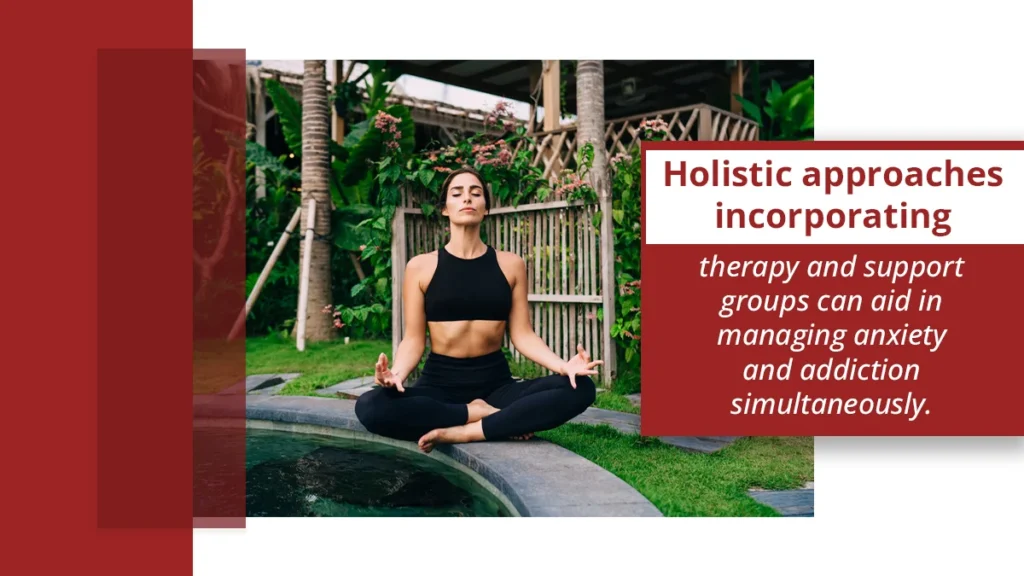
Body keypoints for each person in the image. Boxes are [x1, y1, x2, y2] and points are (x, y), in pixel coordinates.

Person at [355, 166, 603, 453]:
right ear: (445, 209)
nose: (467, 199)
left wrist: (563, 366)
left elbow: (523, 335)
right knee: (370, 406)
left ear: (486, 208)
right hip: (439, 386)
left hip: (496, 386)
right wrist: (396, 373)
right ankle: (482, 416)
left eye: (476, 193)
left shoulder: (511, 265)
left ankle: (467, 432)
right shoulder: (420, 267)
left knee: (581, 388)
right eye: (457, 194)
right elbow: (413, 339)